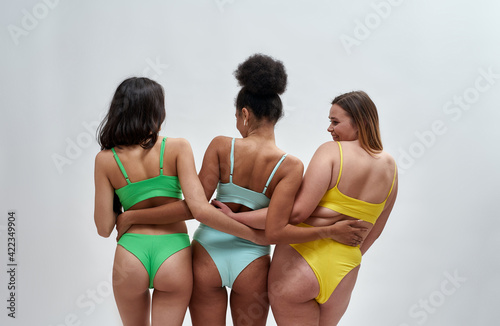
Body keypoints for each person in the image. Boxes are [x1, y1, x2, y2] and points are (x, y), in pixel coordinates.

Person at [112, 54, 356, 326]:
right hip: (252, 261)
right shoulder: (291, 167)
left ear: (245, 114)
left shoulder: (221, 146)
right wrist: (258, 235)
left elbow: (195, 206)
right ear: (276, 117)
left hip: (208, 252)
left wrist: (134, 216)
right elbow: (278, 221)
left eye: (237, 117)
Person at [219, 90, 398, 325]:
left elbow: (295, 213)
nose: (329, 128)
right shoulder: (391, 168)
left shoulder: (333, 151)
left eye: (335, 122)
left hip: (299, 262)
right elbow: (374, 231)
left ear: (361, 122)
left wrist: (237, 217)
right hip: (344, 272)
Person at [93, 77, 234, 326]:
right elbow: (196, 206)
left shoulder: (105, 160)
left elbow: (104, 228)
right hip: (174, 254)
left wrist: (130, 214)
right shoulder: (178, 147)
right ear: (156, 110)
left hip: (130, 255)